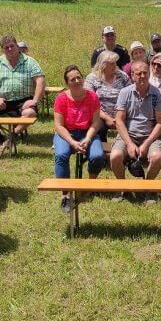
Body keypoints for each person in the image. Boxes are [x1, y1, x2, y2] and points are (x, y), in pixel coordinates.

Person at [110, 62, 161, 203]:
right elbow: (119, 120)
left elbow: (160, 123)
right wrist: (129, 144)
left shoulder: (158, 94)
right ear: (132, 76)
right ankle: (122, 187)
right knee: (115, 156)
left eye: (145, 73)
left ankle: (148, 187)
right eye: (138, 73)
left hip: (150, 137)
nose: (142, 76)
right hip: (128, 136)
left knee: (156, 156)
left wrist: (147, 144)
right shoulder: (125, 93)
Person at [53, 65, 105, 213]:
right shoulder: (61, 98)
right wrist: (72, 142)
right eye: (72, 79)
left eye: (78, 77)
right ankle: (65, 194)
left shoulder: (92, 97)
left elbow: (96, 122)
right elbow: (58, 125)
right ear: (67, 83)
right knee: (61, 155)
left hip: (87, 132)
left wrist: (88, 138)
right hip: (66, 134)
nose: (77, 81)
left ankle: (89, 186)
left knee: (97, 156)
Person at [0, 34, 46, 137]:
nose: (10, 49)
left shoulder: (30, 62)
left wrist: (34, 101)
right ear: (2, 50)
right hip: (1, 100)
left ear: (17, 46)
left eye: (12, 46)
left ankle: (13, 135)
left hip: (24, 100)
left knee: (30, 113)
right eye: (6, 47)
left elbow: (40, 81)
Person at [85, 50, 132, 141]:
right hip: (100, 114)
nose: (114, 65)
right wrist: (107, 118)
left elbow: (131, 95)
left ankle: (126, 149)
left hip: (122, 113)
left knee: (132, 125)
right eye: (111, 63)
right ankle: (100, 150)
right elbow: (89, 103)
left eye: (115, 63)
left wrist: (119, 116)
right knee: (98, 126)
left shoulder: (122, 76)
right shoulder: (92, 78)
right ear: (102, 64)